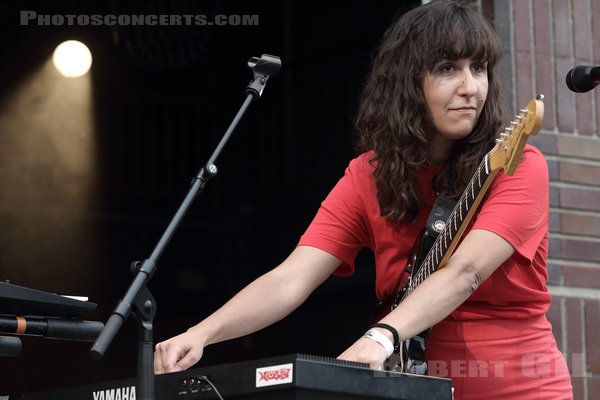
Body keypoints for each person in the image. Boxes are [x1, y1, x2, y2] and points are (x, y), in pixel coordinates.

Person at [154, 1, 573, 398]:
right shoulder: (368, 175)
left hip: (517, 386)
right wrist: (202, 334)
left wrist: (381, 335)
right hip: (412, 387)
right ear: (408, 82)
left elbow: (465, 272)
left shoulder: (517, 164)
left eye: (478, 68)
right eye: (448, 68)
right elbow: (291, 278)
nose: (470, 87)